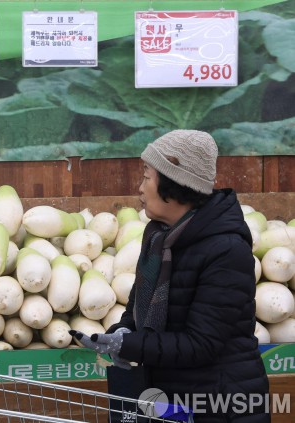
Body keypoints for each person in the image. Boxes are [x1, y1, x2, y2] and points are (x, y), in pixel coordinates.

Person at [69, 130, 270, 422]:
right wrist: (122, 332)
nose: (140, 188)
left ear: (174, 182)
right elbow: (137, 309)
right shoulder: (159, 238)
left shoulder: (226, 250)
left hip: (218, 404)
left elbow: (201, 344)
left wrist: (130, 345)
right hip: (170, 399)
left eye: (147, 177)